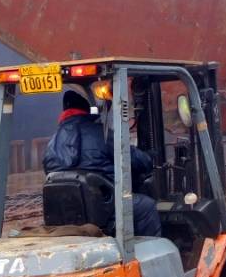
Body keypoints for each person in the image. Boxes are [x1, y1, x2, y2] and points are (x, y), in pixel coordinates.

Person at [43, 88, 161, 237]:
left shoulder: (51, 144)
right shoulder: (101, 134)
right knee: (147, 207)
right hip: (105, 210)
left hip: (66, 215)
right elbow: (138, 161)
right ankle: (149, 249)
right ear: (87, 111)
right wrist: (148, 158)